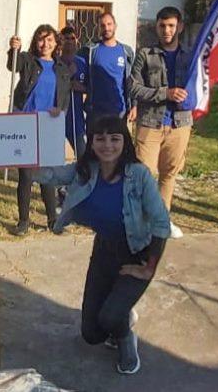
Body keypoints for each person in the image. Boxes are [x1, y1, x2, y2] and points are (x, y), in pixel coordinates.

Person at [34, 116, 170, 375]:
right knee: (92, 334)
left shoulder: (139, 175)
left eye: (114, 138)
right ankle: (121, 314)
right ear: (92, 142)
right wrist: (22, 150)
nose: (107, 145)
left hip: (137, 253)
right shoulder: (86, 170)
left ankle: (125, 336)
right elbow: (48, 174)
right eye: (100, 138)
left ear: (124, 141)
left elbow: (162, 223)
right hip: (105, 251)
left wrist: (148, 268)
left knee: (109, 318)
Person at [129, 6, 192, 239]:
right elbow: (133, 87)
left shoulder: (190, 56)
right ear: (156, 27)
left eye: (171, 26)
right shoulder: (145, 54)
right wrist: (165, 93)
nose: (167, 30)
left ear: (180, 27)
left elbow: (201, 83)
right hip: (150, 123)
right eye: (162, 26)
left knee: (169, 174)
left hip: (180, 124)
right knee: (144, 175)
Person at [7, 24, 71, 236]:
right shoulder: (27, 61)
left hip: (48, 125)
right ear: (36, 42)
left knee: (47, 176)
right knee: (25, 175)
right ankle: (23, 221)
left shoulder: (61, 68)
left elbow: (64, 98)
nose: (45, 44)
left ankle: (52, 219)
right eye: (41, 39)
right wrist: (13, 49)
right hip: (25, 122)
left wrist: (59, 110)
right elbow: (12, 66)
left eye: (50, 40)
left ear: (56, 43)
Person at [76, 12, 136, 125]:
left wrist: (134, 105)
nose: (106, 28)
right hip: (95, 112)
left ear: (115, 26)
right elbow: (76, 71)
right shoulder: (90, 51)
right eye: (103, 25)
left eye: (109, 24)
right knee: (94, 143)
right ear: (98, 27)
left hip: (119, 111)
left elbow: (132, 82)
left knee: (117, 142)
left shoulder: (126, 52)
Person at [59, 25, 87, 157]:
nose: (69, 41)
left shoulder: (82, 63)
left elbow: (90, 87)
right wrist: (68, 78)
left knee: (82, 154)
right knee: (55, 156)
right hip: (57, 115)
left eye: (72, 38)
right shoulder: (54, 63)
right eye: (66, 38)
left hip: (76, 117)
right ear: (60, 41)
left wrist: (80, 87)